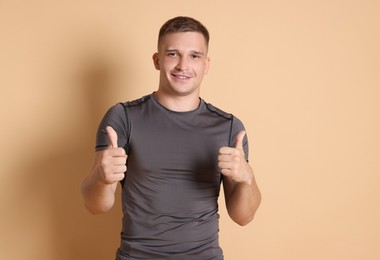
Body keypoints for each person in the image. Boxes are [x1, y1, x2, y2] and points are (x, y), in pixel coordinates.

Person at [81, 16, 261, 260]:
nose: (183, 65)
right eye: (173, 54)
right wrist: (102, 178)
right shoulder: (123, 117)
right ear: (157, 60)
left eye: (194, 56)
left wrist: (247, 178)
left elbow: (243, 217)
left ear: (206, 64)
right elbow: (95, 206)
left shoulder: (229, 127)